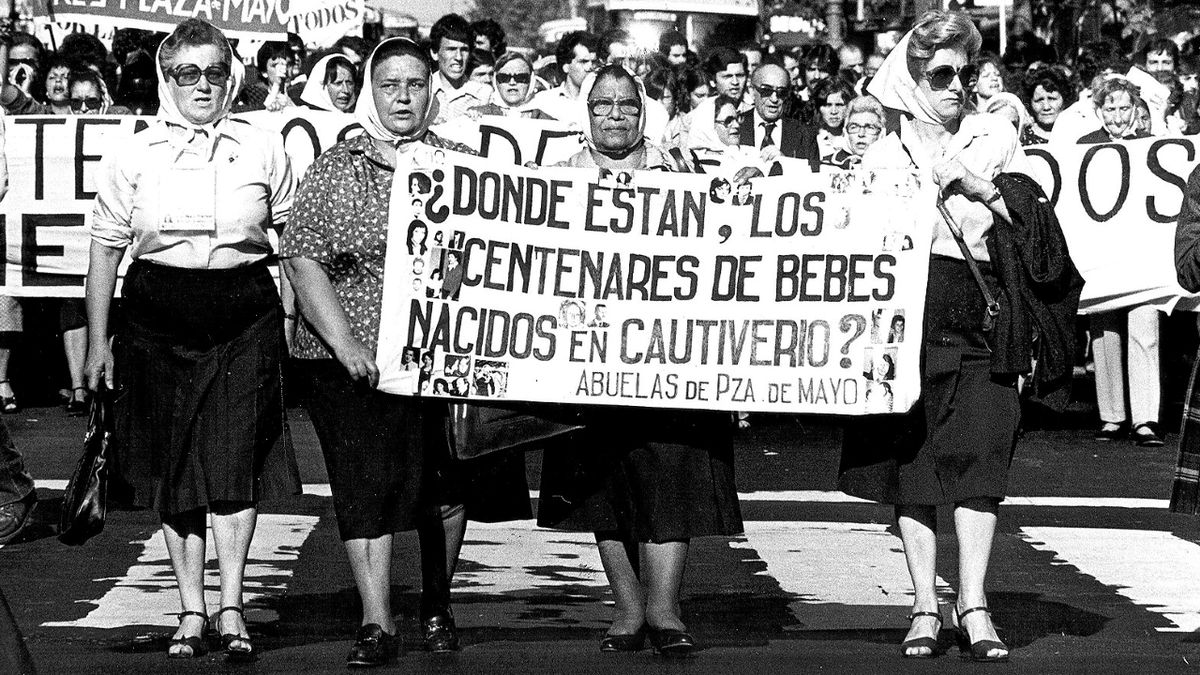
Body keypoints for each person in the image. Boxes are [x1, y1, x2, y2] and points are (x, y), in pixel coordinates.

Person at [281, 36, 527, 666]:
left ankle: (438, 605)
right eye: (389, 85)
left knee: (443, 486)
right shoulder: (339, 166)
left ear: (432, 91)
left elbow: (499, 255)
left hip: (441, 355)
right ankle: (375, 620)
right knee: (366, 489)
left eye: (414, 85)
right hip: (353, 359)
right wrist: (344, 343)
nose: (402, 97)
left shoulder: (465, 166)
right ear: (371, 90)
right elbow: (304, 257)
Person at [838, 10, 1066, 663]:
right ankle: (921, 605)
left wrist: (977, 184)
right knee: (913, 466)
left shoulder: (993, 134)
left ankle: (974, 603)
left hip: (981, 307)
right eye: (941, 74)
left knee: (981, 459)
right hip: (908, 314)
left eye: (964, 73)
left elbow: (1031, 220)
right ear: (911, 80)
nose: (956, 85)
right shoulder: (884, 150)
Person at [85, 17, 301, 662]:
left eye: (214, 72)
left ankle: (232, 607)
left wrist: (289, 320)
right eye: (188, 73)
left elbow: (290, 241)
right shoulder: (134, 150)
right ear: (166, 78)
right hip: (158, 314)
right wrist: (98, 343)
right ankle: (190, 609)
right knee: (176, 466)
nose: (202, 85)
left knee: (235, 460)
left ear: (231, 75)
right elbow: (104, 247)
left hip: (244, 312)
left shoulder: (264, 145)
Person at [539, 64, 744, 657]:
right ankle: (627, 608)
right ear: (587, 111)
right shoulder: (553, 179)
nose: (614, 116)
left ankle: (665, 608)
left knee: (671, 478)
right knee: (604, 485)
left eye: (626, 105)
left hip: (668, 357)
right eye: (602, 105)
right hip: (586, 357)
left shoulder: (681, 171)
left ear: (643, 110)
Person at [1078, 77, 1164, 447]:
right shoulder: (1083, 147)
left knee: (1144, 329)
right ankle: (1111, 416)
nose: (1116, 115)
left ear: (1135, 110)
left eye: (1123, 107)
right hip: (1102, 256)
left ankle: (1145, 418)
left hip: (1142, 255)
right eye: (1109, 108)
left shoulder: (1154, 146)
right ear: (1099, 111)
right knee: (1105, 331)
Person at [740, 63, 820, 172]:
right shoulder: (736, 125)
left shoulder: (805, 134)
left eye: (781, 92)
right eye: (767, 91)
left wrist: (786, 163)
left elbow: (815, 177)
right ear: (751, 91)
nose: (774, 99)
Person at [429, 14, 491, 124]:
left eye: (464, 50)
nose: (458, 57)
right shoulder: (423, 91)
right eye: (451, 49)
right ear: (434, 53)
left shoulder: (484, 94)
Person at [529, 31, 600, 122]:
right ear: (565, 66)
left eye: (594, 62)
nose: (591, 67)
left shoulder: (603, 103)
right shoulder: (543, 101)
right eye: (583, 61)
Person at [467, 52, 554, 119]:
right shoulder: (478, 113)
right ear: (495, 81)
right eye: (504, 77)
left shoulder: (547, 121)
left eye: (521, 77)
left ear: (531, 81)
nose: (512, 82)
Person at [1020, 65, 1075, 145]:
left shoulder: (1077, 134)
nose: (1046, 107)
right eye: (1039, 100)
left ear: (1065, 100)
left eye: (1052, 99)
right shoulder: (1021, 139)